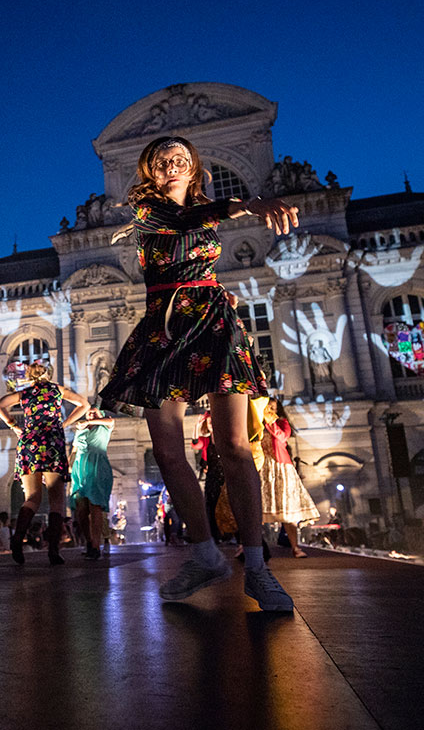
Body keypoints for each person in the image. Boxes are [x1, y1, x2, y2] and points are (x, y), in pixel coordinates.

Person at [98, 135, 299, 612]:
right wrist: (248, 204)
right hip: (164, 329)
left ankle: (257, 567)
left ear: (194, 170)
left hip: (212, 325)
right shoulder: (148, 211)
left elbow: (199, 251)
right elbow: (186, 220)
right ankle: (205, 554)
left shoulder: (206, 211)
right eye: (163, 161)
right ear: (151, 171)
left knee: (233, 446)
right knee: (168, 452)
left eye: (181, 161)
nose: (172, 166)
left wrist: (218, 294)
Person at [0, 361, 89, 565]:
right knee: (57, 501)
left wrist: (14, 426)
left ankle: (17, 539)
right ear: (47, 374)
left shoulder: (25, 392)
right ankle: (53, 550)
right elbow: (85, 404)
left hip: (29, 443)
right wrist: (64, 423)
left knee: (32, 498)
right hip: (52, 441)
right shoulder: (57, 390)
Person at [259, 399, 320, 558]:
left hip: (281, 467)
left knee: (288, 509)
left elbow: (282, 436)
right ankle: (254, 546)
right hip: (263, 467)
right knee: (258, 507)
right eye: (267, 407)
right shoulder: (258, 424)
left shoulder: (282, 422)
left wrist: (271, 421)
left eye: (273, 407)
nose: (270, 409)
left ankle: (295, 547)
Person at [69, 408, 115, 560]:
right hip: (79, 469)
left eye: (95, 412)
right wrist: (69, 466)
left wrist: (89, 421)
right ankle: (89, 542)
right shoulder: (81, 430)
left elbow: (110, 421)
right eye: (89, 412)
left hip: (97, 467)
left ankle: (96, 546)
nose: (91, 413)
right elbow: (75, 449)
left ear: (100, 415)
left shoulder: (104, 426)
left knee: (95, 506)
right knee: (81, 509)